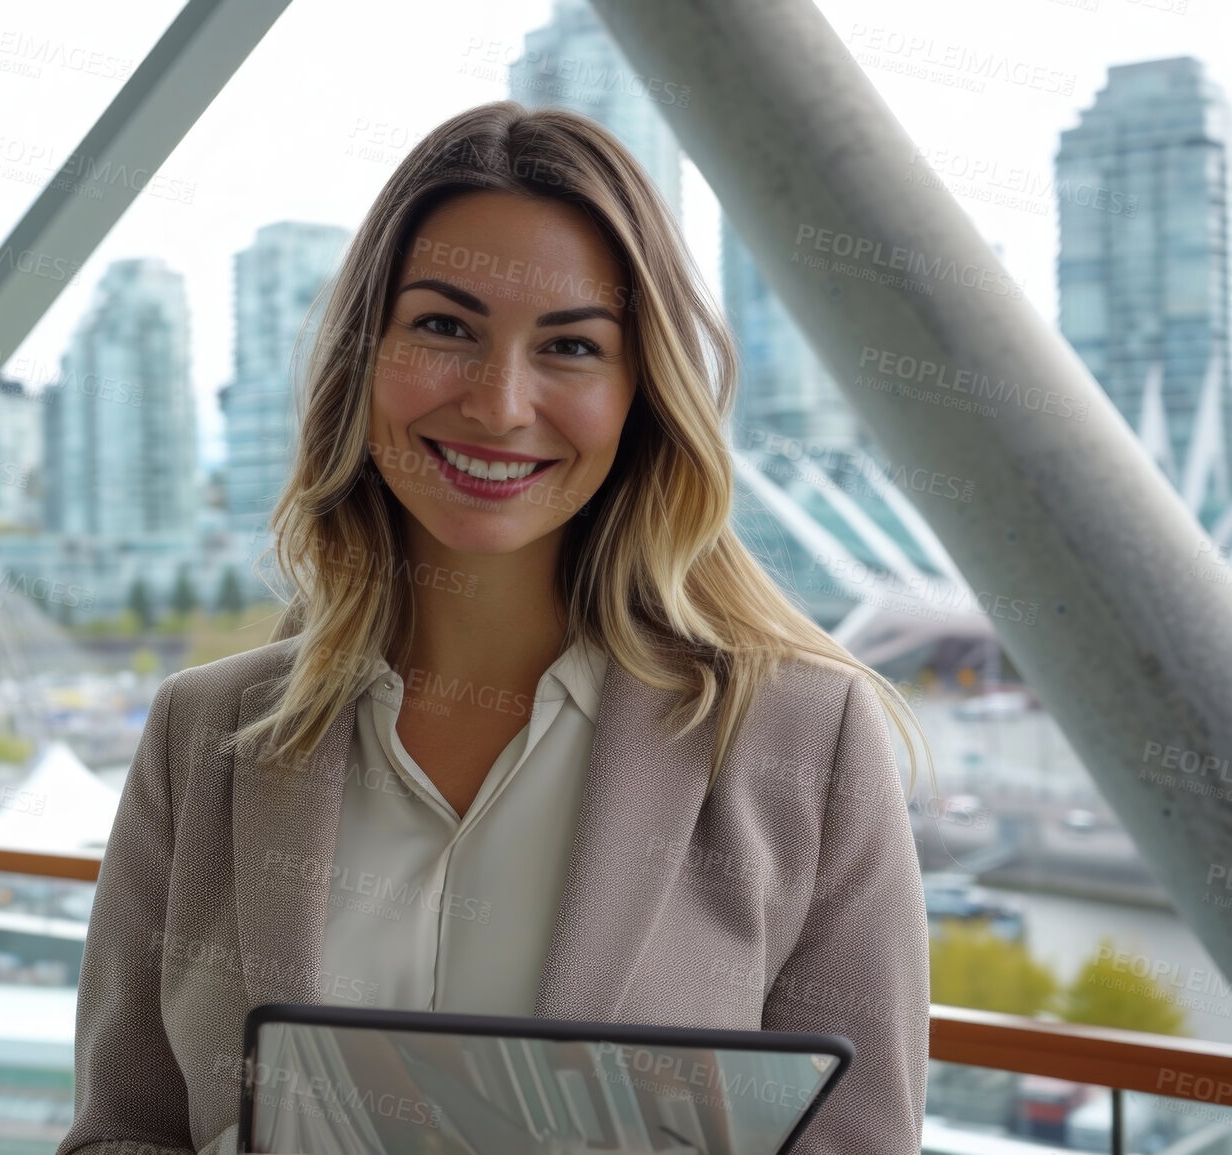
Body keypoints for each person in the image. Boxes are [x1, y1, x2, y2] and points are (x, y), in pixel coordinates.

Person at [57, 100, 933, 1155]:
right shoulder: (205, 734)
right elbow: (121, 1132)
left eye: (569, 346)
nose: (499, 402)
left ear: (638, 392)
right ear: (363, 356)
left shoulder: (804, 739)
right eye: (443, 327)